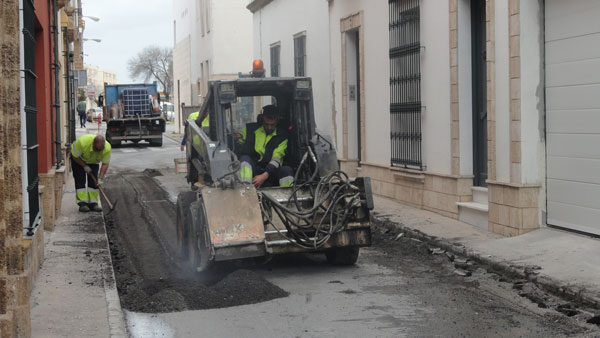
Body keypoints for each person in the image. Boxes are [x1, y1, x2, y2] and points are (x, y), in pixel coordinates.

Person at [237, 105, 293, 188]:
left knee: (286, 170)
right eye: (266, 124)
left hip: (271, 172)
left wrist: (263, 176)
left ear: (277, 120)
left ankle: (288, 197)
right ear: (263, 119)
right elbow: (240, 137)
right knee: (245, 159)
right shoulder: (251, 129)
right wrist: (238, 136)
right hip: (254, 169)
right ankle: (246, 190)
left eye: (272, 125)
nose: (269, 127)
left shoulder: (282, 137)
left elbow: (276, 158)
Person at [71, 134, 111, 212]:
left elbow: (105, 164)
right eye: (97, 149)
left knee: (94, 182)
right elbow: (74, 156)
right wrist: (84, 166)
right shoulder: (82, 142)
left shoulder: (107, 148)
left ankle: (93, 203)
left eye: (100, 150)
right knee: (80, 180)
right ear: (93, 144)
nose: (99, 151)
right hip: (79, 160)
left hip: (94, 161)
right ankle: (82, 204)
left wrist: (100, 178)